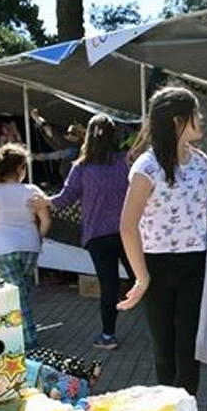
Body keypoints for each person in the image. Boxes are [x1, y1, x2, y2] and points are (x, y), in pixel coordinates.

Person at [117, 86, 207, 397]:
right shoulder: (147, 167)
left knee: (189, 351)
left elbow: (201, 213)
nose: (201, 118)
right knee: (165, 351)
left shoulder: (201, 163)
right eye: (195, 113)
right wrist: (142, 277)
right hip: (156, 267)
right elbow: (127, 226)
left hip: (195, 264)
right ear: (177, 120)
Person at [32, 114, 133, 350]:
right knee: (142, 280)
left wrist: (44, 202)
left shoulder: (82, 167)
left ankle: (108, 336)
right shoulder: (124, 162)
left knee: (109, 285)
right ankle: (166, 326)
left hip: (97, 235)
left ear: (88, 135)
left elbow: (65, 200)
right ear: (113, 136)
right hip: (127, 232)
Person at [0, 143, 51, 350]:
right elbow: (45, 221)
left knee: (14, 294)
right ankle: (18, 334)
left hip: (3, 247)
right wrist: (38, 239)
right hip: (30, 245)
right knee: (21, 292)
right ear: (20, 168)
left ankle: (27, 340)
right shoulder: (32, 190)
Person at [29, 107, 84, 180]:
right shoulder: (70, 145)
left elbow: (55, 154)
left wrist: (35, 156)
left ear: (78, 137)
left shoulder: (73, 149)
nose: (67, 135)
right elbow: (50, 132)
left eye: (71, 133)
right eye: (68, 133)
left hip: (73, 179)